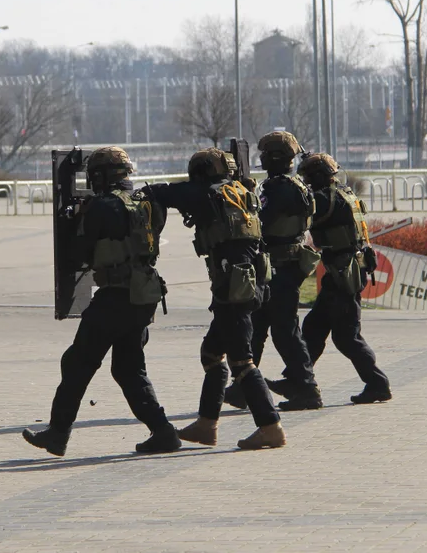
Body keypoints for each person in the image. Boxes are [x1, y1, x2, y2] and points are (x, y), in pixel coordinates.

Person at [23, 146, 181, 457]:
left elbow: (78, 255)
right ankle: (163, 431)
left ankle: (57, 434)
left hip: (114, 298)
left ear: (100, 176)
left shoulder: (102, 207)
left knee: (77, 363)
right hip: (143, 296)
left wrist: (77, 219)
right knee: (128, 369)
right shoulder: (149, 202)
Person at [143, 149, 286, 450]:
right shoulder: (241, 192)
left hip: (233, 289)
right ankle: (207, 425)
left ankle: (270, 426)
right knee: (211, 354)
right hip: (249, 284)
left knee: (242, 362)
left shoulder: (206, 193)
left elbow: (163, 193)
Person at [225, 132, 323, 412]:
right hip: (280, 268)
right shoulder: (292, 184)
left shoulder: (279, 188)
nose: (262, 159)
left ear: (275, 157)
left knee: (284, 330)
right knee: (257, 327)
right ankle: (245, 386)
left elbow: (259, 222)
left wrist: (243, 197)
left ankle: (306, 388)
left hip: (281, 269)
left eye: (266, 154)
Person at [297, 153, 391, 405]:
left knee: (346, 336)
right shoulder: (344, 194)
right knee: (315, 327)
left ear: (318, 176)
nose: (306, 182)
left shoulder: (326, 199)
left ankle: (377, 384)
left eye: (307, 177)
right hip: (345, 270)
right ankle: (301, 383)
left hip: (343, 273)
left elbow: (301, 211)